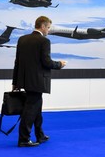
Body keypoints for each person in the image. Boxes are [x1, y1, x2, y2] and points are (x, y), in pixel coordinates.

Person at [12, 16, 66, 147]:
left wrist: (15, 82)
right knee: (30, 110)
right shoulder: (44, 41)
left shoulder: (22, 39)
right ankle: (24, 139)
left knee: (36, 108)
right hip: (37, 82)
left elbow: (17, 62)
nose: (48, 30)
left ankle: (40, 135)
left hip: (24, 80)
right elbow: (46, 62)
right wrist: (59, 64)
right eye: (48, 28)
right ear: (42, 26)